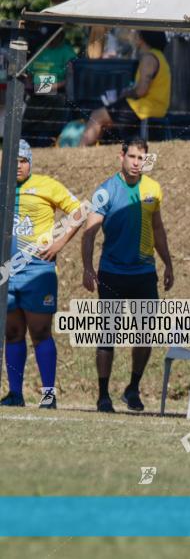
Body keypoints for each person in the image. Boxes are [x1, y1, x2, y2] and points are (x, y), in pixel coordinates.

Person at [81, 138, 174, 413]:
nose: (136, 162)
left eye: (141, 158)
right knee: (107, 334)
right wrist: (88, 268)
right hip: (112, 272)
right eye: (131, 156)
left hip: (144, 272)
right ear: (121, 156)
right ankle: (102, 395)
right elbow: (89, 234)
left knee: (145, 334)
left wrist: (168, 264)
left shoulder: (153, 189)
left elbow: (158, 229)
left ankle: (132, 389)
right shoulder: (106, 191)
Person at [0, 140, 84, 408]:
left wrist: (59, 242)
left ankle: (49, 396)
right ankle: (15, 393)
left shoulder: (47, 185)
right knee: (12, 332)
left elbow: (80, 211)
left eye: (23, 161)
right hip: (7, 272)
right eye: (13, 160)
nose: (18, 166)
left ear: (30, 162)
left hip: (38, 271)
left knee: (40, 332)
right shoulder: (3, 188)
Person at [80, 31, 171, 146]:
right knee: (105, 121)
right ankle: (94, 152)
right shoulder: (160, 56)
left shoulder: (149, 58)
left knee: (97, 116)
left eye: (137, 35)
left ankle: (79, 151)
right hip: (155, 108)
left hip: (144, 108)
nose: (133, 37)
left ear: (142, 39)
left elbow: (141, 91)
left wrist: (126, 93)